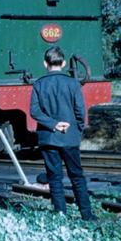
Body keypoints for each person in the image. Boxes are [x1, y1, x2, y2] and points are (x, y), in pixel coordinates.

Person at [30, 46, 96, 221]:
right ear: (64, 63)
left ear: (45, 63)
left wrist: (53, 124)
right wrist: (77, 128)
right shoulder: (73, 83)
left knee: (54, 178)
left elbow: (34, 112)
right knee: (77, 176)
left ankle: (60, 215)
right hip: (70, 137)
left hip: (48, 137)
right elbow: (80, 111)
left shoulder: (38, 84)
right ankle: (87, 215)